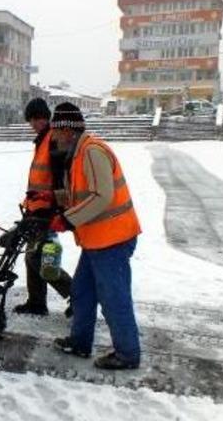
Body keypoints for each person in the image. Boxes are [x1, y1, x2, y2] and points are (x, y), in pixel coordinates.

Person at [46, 102, 142, 370]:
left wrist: (68, 219)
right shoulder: (77, 154)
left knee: (114, 297)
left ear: (67, 130)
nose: (53, 135)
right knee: (82, 292)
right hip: (96, 239)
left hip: (113, 239)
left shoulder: (92, 152)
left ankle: (127, 354)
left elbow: (103, 196)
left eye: (56, 129)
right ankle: (80, 342)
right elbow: (83, 194)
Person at [8, 98, 73, 317]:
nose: (32, 124)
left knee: (37, 258)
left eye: (35, 119)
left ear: (44, 117)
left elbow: (60, 179)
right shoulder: (43, 139)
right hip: (36, 208)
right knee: (32, 255)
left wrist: (57, 208)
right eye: (31, 120)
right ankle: (37, 302)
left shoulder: (53, 140)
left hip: (48, 209)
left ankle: (76, 295)